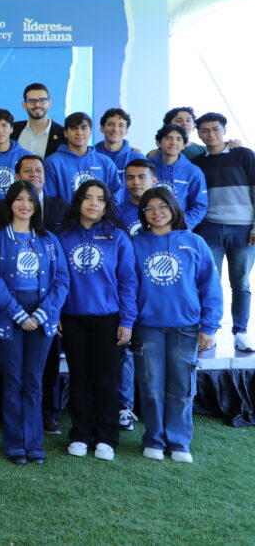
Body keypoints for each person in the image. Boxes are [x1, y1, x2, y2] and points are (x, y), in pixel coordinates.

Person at [132, 188, 222, 463]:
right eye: (149, 208)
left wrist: (209, 326)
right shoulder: (135, 243)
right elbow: (128, 286)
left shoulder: (194, 242)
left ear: (173, 208)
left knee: (182, 387)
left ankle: (179, 442)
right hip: (147, 327)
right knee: (150, 386)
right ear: (143, 213)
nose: (156, 212)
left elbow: (210, 286)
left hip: (186, 327)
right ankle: (154, 440)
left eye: (162, 206)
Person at [0, 181, 69, 465]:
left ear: (36, 205)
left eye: (30, 200)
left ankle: (33, 443)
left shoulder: (48, 239)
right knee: (13, 380)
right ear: (10, 204)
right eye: (19, 199)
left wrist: (43, 314)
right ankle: (14, 444)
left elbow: (62, 280)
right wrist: (17, 313)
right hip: (9, 318)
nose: (25, 205)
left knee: (33, 381)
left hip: (42, 320)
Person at [57, 180, 138, 461]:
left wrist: (127, 321)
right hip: (72, 319)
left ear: (107, 205)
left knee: (106, 380)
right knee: (79, 379)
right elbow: (56, 280)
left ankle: (107, 437)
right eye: (88, 197)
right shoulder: (63, 237)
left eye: (100, 199)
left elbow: (128, 282)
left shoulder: (117, 237)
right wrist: (56, 313)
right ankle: (80, 434)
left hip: (108, 319)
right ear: (78, 201)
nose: (94, 203)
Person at [192, 112, 255, 353]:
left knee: (241, 283)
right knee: (209, 283)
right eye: (205, 130)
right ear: (199, 134)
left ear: (224, 130)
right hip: (210, 228)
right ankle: (210, 332)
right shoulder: (198, 162)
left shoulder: (244, 155)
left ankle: (240, 332)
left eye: (215, 129)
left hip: (244, 229)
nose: (210, 134)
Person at [113, 158, 159, 431]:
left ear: (154, 180)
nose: (135, 182)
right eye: (130, 177)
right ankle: (124, 407)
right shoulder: (117, 213)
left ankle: (155, 409)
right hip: (126, 291)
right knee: (125, 350)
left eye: (141, 177)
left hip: (157, 293)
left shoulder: (165, 211)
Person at [44, 112, 122, 204]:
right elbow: (50, 200)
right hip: (65, 213)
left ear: (90, 132)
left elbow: (115, 196)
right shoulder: (52, 162)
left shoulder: (105, 162)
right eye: (74, 128)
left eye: (84, 128)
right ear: (65, 133)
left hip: (100, 214)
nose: (79, 132)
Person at [0, 154, 69, 234]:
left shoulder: (63, 208)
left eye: (38, 171)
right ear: (17, 177)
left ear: (44, 177)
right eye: (27, 171)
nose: (34, 174)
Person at [151, 124, 208, 229]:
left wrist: (181, 225)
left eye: (178, 139)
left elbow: (199, 206)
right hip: (148, 228)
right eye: (168, 138)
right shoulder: (147, 167)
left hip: (179, 230)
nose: (173, 143)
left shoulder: (193, 171)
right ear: (158, 143)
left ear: (184, 145)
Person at [11, 83, 65, 158]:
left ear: (49, 104)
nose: (37, 105)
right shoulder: (11, 130)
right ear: (24, 105)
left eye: (42, 100)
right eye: (32, 101)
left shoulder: (63, 134)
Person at [95, 108, 141, 182]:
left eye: (121, 125)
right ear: (102, 128)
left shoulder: (137, 158)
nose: (115, 129)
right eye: (110, 124)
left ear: (126, 131)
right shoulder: (90, 155)